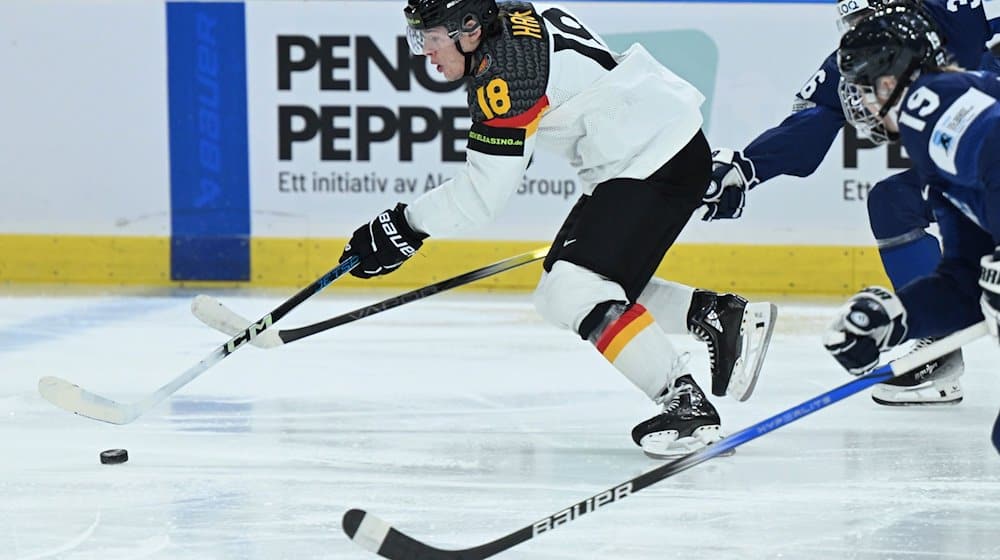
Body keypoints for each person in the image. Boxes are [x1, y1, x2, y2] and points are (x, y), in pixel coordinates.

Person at [338, 0, 777, 459]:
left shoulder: (505, 76)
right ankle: (715, 315)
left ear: (468, 28)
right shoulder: (511, 15)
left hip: (650, 160)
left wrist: (404, 226)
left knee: (576, 290)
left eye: (430, 38)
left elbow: (481, 199)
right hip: (644, 151)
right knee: (560, 292)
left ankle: (684, 402)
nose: (424, 52)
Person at [705, 0, 998, 406]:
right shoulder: (881, 57)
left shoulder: (972, 15)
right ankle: (939, 347)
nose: (863, 32)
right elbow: (820, 114)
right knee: (895, 200)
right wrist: (747, 168)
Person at [824, 6, 1000, 452]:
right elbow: (964, 283)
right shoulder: (938, 151)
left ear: (889, 83)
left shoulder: (929, 103)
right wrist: (900, 320)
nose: (862, 104)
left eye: (864, 90)